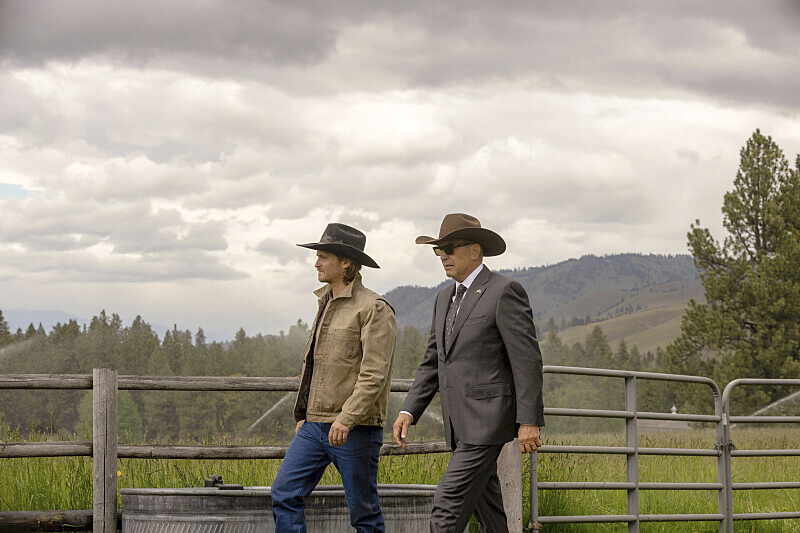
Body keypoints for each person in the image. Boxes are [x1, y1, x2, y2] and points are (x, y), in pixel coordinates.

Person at [392, 213, 544, 533]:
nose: (443, 255)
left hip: (487, 423)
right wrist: (409, 409)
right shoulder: (443, 298)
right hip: (459, 427)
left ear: (475, 251)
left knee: (446, 510)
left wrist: (529, 420)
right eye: (438, 250)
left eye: (449, 247)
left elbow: (526, 360)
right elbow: (434, 361)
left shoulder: (504, 291)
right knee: (489, 511)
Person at [272, 223, 397, 533]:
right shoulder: (324, 302)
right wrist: (304, 413)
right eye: (317, 256)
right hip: (313, 426)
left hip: (355, 429)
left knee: (364, 514)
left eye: (323, 256)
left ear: (346, 263)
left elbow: (374, 374)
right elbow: (317, 363)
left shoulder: (374, 308)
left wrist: (346, 418)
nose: (316, 262)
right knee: (284, 493)